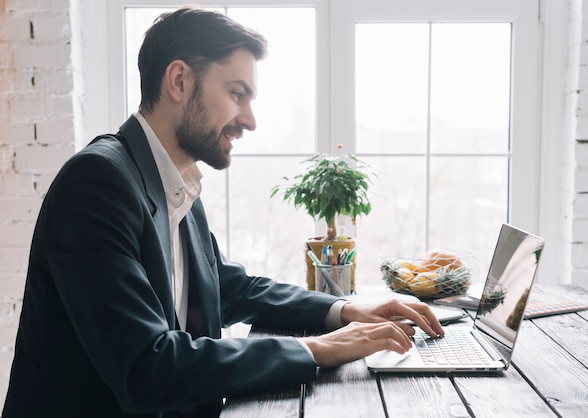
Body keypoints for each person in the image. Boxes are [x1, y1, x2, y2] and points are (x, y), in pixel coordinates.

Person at [2, 7, 444, 418]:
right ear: (179, 81)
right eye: (237, 94)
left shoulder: (173, 180)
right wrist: (318, 350)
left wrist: (346, 312)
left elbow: (231, 288)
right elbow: (146, 365)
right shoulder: (97, 183)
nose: (249, 120)